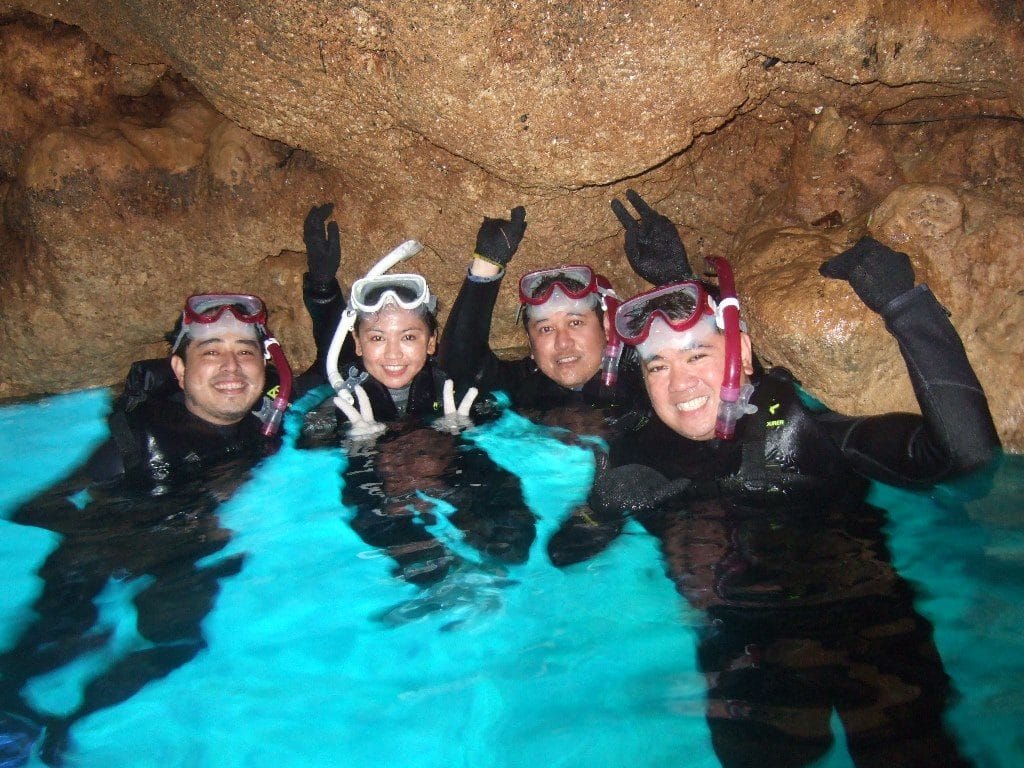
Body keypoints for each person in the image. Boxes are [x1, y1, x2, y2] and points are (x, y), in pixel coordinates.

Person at [550, 206, 1001, 768]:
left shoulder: (806, 431)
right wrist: (600, 506)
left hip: (867, 628)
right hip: (742, 650)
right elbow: (564, 553)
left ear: (741, 353)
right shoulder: (641, 452)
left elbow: (964, 455)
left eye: (697, 355)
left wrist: (905, 306)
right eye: (657, 367)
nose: (680, 381)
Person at [0, 294, 292, 766]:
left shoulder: (262, 428)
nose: (231, 366)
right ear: (178, 370)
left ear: (264, 364)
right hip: (96, 555)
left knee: (177, 642)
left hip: (182, 550)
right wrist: (124, 547)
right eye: (210, 350)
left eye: (244, 350)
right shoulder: (138, 440)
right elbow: (36, 507)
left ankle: (67, 726)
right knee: (58, 640)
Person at [297, 204, 536, 591]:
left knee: (511, 540)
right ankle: (443, 583)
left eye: (408, 337)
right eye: (377, 338)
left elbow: (493, 416)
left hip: (450, 464)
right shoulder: (345, 404)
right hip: (374, 476)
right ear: (357, 344)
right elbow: (308, 446)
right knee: (423, 564)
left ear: (431, 343)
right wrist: (359, 444)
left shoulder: (450, 390)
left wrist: (461, 427)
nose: (393, 354)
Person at [437, 206, 652, 411]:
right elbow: (462, 367)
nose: (563, 342)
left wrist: (671, 279)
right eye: (545, 329)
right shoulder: (524, 387)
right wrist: (486, 266)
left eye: (575, 323)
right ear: (530, 344)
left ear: (606, 327)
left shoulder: (646, 376)